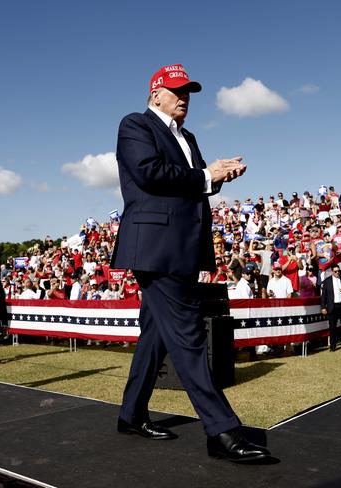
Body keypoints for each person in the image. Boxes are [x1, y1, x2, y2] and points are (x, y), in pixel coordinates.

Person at [111, 63, 269, 462]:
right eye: (177, 90)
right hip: (155, 248)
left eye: (189, 92)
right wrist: (205, 175)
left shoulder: (189, 136)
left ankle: (130, 414)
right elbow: (150, 173)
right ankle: (221, 430)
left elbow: (191, 183)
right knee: (189, 336)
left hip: (182, 246)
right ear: (155, 94)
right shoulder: (135, 125)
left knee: (157, 333)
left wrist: (219, 178)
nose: (185, 98)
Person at [320, 265, 341, 351]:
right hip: (332, 306)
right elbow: (323, 296)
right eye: (335, 271)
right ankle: (333, 346)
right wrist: (323, 307)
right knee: (332, 327)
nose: (337, 273)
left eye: (338, 271)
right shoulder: (327, 282)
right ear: (332, 272)